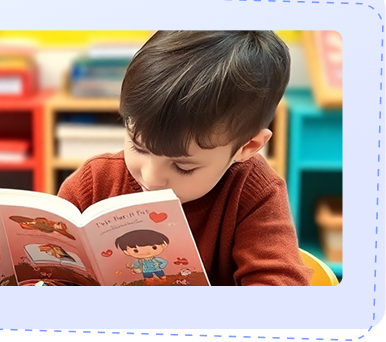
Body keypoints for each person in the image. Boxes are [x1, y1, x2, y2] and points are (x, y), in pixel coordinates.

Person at [57, 31, 314, 286]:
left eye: (183, 166)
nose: (151, 177)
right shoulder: (94, 183)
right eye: (139, 148)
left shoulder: (253, 192)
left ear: (248, 146)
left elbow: (282, 287)